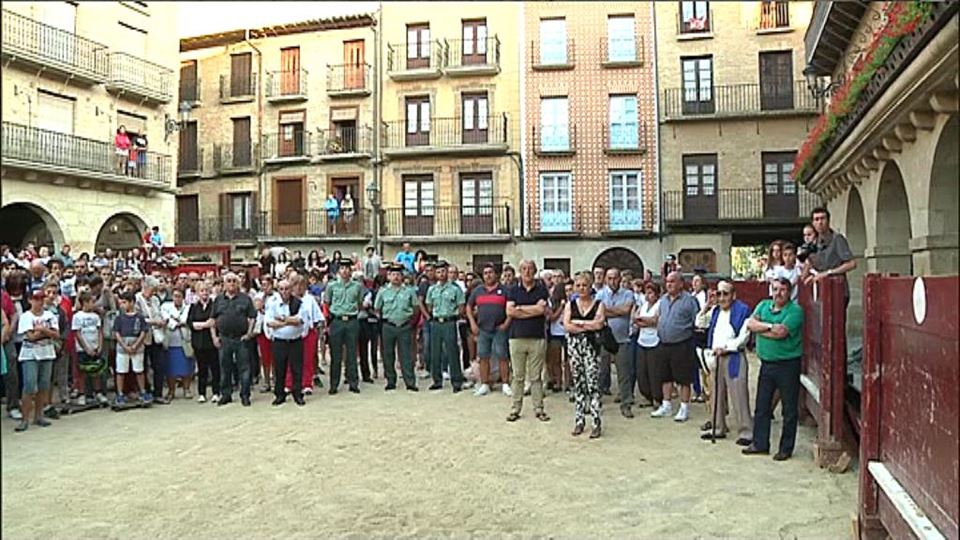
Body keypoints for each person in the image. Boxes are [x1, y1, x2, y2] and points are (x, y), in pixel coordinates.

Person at [743, 278, 804, 461]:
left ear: (789, 292)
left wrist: (761, 330)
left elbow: (782, 333)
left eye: (783, 290)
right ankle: (760, 443)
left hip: (788, 364)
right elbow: (750, 324)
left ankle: (786, 448)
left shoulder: (795, 310)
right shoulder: (763, 305)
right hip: (767, 363)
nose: (778, 293)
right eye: (775, 289)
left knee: (789, 409)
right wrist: (769, 327)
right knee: (762, 406)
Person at [702, 281, 753, 446]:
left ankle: (746, 431)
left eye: (725, 293)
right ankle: (718, 427)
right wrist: (706, 307)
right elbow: (699, 323)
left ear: (733, 295)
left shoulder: (742, 310)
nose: (722, 297)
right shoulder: (715, 311)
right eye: (719, 294)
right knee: (716, 394)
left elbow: (744, 336)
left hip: (733, 356)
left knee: (738, 394)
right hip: (716, 357)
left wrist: (727, 348)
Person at [650, 271, 700, 422]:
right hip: (664, 343)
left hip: (682, 344)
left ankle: (684, 407)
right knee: (665, 376)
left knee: (683, 378)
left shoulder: (689, 300)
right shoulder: (663, 300)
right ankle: (666, 406)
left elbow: (696, 321)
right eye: (667, 282)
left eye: (672, 281)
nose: (669, 284)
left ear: (680, 283)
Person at [505, 260, 550, 423]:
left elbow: (542, 310)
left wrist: (520, 309)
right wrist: (533, 310)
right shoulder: (512, 290)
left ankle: (539, 409)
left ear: (535, 271)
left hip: (537, 337)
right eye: (524, 269)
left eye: (530, 269)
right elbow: (510, 311)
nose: (527, 272)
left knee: (536, 377)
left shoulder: (542, 289)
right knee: (517, 376)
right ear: (520, 271)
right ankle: (515, 409)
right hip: (516, 337)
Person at [563, 271, 606, 438]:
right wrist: (588, 324)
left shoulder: (598, 304)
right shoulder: (570, 304)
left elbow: (599, 324)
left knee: (593, 385)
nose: (581, 289)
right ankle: (579, 421)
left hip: (591, 348)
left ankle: (596, 422)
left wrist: (579, 323)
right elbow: (567, 325)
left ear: (590, 287)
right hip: (575, 348)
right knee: (579, 384)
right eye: (578, 285)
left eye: (585, 285)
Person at [15, 290, 59, 431]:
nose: (39, 301)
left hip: (46, 352)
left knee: (44, 385)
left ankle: (38, 416)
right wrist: (46, 331)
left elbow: (56, 334)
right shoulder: (26, 317)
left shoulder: (49, 315)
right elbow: (30, 336)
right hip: (30, 354)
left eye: (41, 298)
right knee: (29, 386)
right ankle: (25, 419)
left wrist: (41, 330)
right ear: (30, 300)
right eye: (36, 298)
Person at [210, 273, 256, 407]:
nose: (231, 283)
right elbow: (213, 319)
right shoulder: (218, 300)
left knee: (244, 368)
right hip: (224, 338)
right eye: (228, 281)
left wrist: (249, 333)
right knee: (225, 368)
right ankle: (226, 395)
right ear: (224, 284)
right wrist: (214, 337)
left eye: (234, 281)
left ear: (238, 283)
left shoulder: (245, 299)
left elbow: (252, 316)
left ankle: (245, 395)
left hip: (241, 339)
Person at [466, 263, 511, 397]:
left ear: (496, 274)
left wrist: (506, 323)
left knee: (503, 356)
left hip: (499, 329)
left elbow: (511, 308)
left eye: (490, 272)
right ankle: (485, 384)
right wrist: (473, 324)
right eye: (485, 273)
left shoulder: (505, 290)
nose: (488, 275)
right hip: (483, 330)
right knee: (483, 357)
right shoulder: (477, 291)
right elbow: (468, 307)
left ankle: (505, 384)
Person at [375, 263, 419, 391]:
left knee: (406, 355)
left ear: (402, 276)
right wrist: (383, 321)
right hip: (388, 325)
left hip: (405, 325)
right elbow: (377, 309)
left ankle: (410, 381)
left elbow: (415, 308)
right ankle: (390, 381)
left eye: (398, 275)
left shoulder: (409, 291)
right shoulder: (383, 291)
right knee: (388, 355)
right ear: (389, 277)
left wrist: (411, 323)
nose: (396, 277)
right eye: (393, 274)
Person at [597, 268, 634, 412]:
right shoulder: (600, 294)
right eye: (610, 278)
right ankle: (596, 401)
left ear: (620, 279)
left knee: (624, 373)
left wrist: (607, 311)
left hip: (622, 339)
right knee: (601, 371)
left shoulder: (628, 293)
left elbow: (626, 310)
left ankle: (626, 404)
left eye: (615, 278)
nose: (613, 281)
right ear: (606, 279)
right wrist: (615, 311)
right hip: (604, 338)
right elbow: (599, 312)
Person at [424, 261, 466, 392]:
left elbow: (461, 307)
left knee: (452, 351)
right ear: (435, 274)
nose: (441, 274)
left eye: (443, 271)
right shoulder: (432, 289)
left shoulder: (455, 288)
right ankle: (437, 380)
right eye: (438, 272)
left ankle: (456, 381)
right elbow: (429, 306)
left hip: (449, 322)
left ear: (447, 272)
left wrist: (452, 315)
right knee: (435, 352)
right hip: (436, 322)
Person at [324, 258, 363, 394]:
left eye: (347, 268)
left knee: (352, 354)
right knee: (336, 355)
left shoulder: (357, 286)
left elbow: (359, 303)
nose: (345, 270)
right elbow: (327, 303)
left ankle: (353, 383)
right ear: (338, 271)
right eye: (342, 268)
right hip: (337, 321)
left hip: (352, 320)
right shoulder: (332, 286)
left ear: (351, 271)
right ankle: (334, 384)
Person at [266, 279, 306, 406]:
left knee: (297, 369)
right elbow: (270, 323)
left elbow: (300, 320)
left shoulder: (299, 303)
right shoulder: (272, 303)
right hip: (279, 342)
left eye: (287, 289)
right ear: (278, 290)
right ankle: (279, 395)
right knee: (279, 369)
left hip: (296, 341)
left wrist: (282, 319)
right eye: (281, 289)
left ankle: (298, 394)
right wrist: (289, 321)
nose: (284, 292)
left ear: (291, 290)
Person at [808, 207, 857, 306]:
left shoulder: (837, 239)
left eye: (822, 218)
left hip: (837, 289)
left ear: (828, 221)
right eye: (816, 219)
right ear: (813, 223)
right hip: (820, 290)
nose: (820, 222)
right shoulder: (814, 243)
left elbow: (851, 264)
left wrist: (829, 273)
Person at [113, 291, 151, 406]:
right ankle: (120, 394)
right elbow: (116, 333)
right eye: (121, 302)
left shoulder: (139, 317)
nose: (122, 305)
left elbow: (143, 332)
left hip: (137, 347)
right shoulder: (119, 317)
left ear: (132, 302)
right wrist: (124, 346)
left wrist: (136, 345)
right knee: (121, 371)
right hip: (122, 347)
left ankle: (143, 392)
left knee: (139, 370)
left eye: (124, 302)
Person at [72, 292, 108, 406]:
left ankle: (98, 392)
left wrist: (100, 345)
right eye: (92, 302)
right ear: (85, 303)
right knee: (83, 371)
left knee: (96, 371)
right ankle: (82, 394)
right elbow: (77, 334)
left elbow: (99, 331)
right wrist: (86, 348)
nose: (94, 304)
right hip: (83, 349)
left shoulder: (96, 316)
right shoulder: (77, 316)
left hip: (95, 346)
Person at [188, 284, 219, 403]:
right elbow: (191, 323)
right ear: (197, 293)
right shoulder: (194, 307)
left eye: (206, 290)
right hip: (199, 343)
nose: (204, 293)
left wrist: (201, 325)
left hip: (212, 342)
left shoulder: (214, 306)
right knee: (202, 369)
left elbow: (215, 321)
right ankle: (202, 393)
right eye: (202, 291)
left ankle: (216, 392)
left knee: (215, 368)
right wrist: (205, 324)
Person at [634, 281, 662, 409]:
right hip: (642, 340)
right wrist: (645, 322)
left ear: (656, 295)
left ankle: (657, 397)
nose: (648, 296)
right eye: (647, 293)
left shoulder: (659, 305)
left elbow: (656, 321)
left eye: (651, 293)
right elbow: (635, 318)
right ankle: (646, 396)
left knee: (654, 371)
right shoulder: (644, 305)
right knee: (642, 371)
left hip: (654, 341)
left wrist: (643, 321)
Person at [162, 289, 193, 400]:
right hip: (171, 341)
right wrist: (176, 323)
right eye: (175, 296)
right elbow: (166, 320)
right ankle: (171, 391)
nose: (177, 298)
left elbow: (186, 320)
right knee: (171, 369)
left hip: (185, 340)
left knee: (187, 367)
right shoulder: (166, 306)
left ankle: (186, 389)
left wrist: (176, 321)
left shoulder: (188, 307)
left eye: (179, 296)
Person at [546, 278, 568, 394]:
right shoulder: (552, 303)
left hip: (568, 333)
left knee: (568, 361)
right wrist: (561, 307)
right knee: (556, 360)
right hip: (555, 333)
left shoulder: (571, 301)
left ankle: (568, 383)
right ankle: (558, 382)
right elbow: (552, 317)